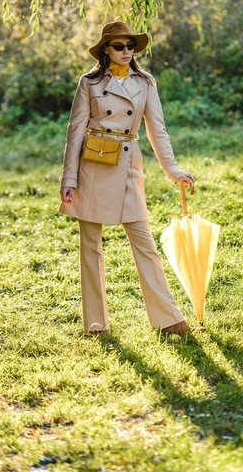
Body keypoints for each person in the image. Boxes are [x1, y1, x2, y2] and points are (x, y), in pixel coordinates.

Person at [59, 20, 195, 337]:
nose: (125, 51)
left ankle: (169, 320)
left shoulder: (145, 82)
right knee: (90, 246)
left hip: (128, 165)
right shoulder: (89, 83)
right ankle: (96, 324)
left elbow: (157, 130)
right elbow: (75, 130)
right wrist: (69, 178)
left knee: (144, 242)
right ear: (106, 50)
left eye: (130, 46)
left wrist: (172, 170)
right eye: (118, 46)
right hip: (91, 165)